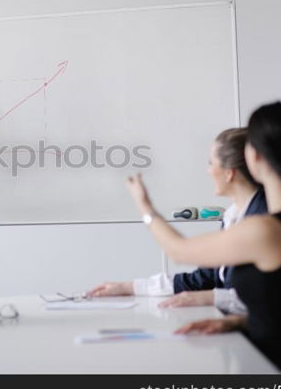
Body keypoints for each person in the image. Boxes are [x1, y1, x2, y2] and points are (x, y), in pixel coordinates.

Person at [125, 102, 281, 373]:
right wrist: (236, 322)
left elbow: (178, 251)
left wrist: (145, 207)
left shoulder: (267, 230)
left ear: (255, 157)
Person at [87, 128, 267, 314]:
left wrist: (145, 207)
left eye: (210, 163)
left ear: (229, 173)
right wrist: (128, 287)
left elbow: (270, 296)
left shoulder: (262, 217)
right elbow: (203, 279)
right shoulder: (233, 216)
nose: (208, 171)